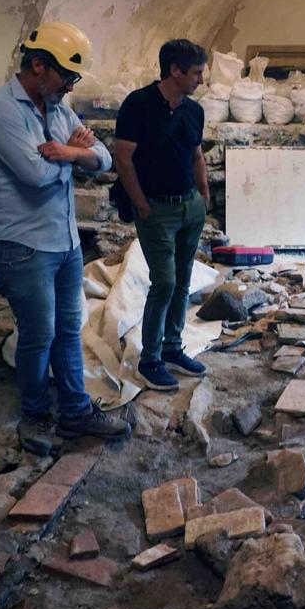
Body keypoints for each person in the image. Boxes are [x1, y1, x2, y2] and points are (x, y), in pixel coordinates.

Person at [0, 22, 132, 455]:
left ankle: (76, 410)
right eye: (67, 76)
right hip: (21, 243)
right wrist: (73, 156)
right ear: (39, 66)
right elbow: (35, 175)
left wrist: (70, 151)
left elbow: (102, 158)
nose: (71, 87)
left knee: (68, 329)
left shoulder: (58, 110)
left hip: (63, 241)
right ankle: (36, 414)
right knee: (38, 333)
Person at [114, 39, 211, 391]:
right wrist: (140, 202)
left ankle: (172, 347)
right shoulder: (138, 105)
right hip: (156, 208)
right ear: (175, 70)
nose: (201, 79)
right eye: (196, 72)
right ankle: (150, 359)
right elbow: (123, 157)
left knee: (183, 279)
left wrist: (203, 195)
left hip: (189, 206)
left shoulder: (193, 111)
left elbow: (196, 155)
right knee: (165, 281)